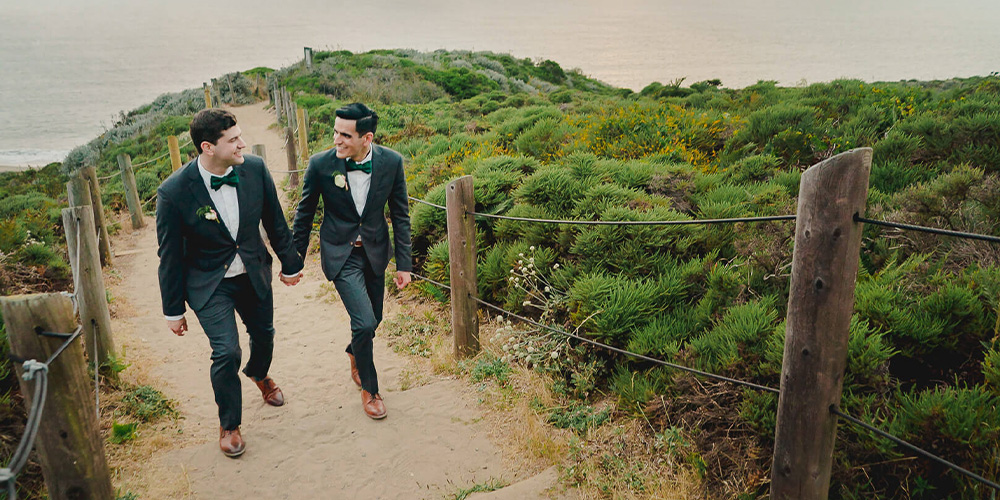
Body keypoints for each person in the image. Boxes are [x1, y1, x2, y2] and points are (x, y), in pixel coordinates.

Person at [156, 108, 303, 457]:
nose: (243, 143)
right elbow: (170, 256)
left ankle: (258, 373)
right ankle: (230, 424)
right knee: (226, 351)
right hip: (209, 283)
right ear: (208, 146)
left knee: (264, 335)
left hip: (253, 271)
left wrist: (291, 263)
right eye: (233, 140)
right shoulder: (173, 192)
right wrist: (173, 310)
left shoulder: (254, 169)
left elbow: (275, 221)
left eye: (240, 135)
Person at [291, 102, 412, 419]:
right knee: (364, 322)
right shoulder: (320, 165)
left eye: (345, 135)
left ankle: (354, 351)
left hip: (374, 251)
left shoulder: (392, 163)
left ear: (366, 138)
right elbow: (303, 215)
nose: (336, 140)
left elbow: (400, 216)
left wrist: (404, 264)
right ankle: (371, 391)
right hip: (340, 253)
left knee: (374, 319)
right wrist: (294, 260)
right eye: (335, 132)